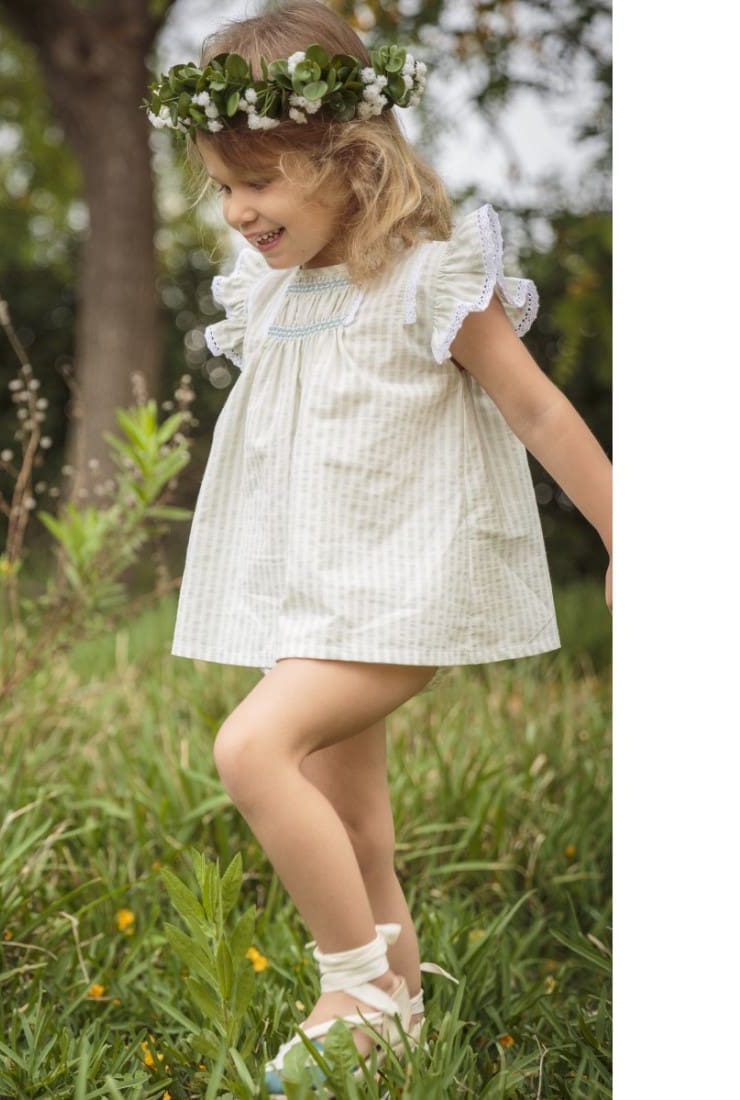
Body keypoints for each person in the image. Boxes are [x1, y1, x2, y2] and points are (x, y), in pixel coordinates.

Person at [145, 0, 612, 1092]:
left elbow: (539, 411)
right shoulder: (269, 289)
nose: (236, 210)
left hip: (402, 588)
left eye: (256, 180)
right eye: (221, 185)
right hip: (311, 595)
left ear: (347, 156)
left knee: (251, 750)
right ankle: (394, 1003)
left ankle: (348, 985)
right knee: (353, 819)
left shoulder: (429, 277)